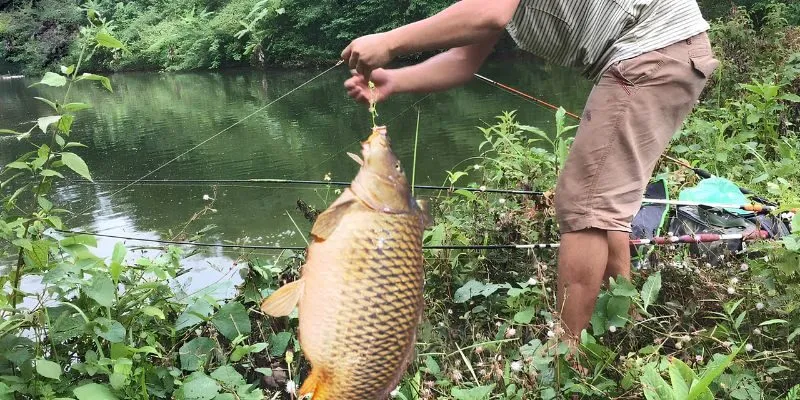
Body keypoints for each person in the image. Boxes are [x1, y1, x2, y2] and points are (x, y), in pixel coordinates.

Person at [341, 0, 719, 350]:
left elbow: (488, 14)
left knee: (584, 203)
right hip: (666, 49)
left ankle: (567, 356)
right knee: (604, 204)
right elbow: (462, 58)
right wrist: (396, 80)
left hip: (655, 46)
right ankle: (626, 329)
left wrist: (389, 41)